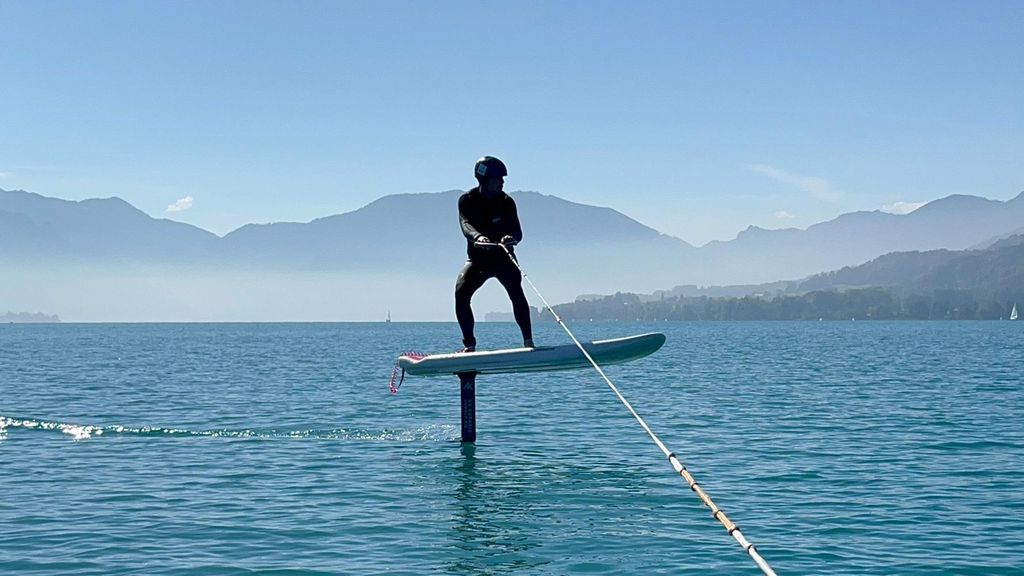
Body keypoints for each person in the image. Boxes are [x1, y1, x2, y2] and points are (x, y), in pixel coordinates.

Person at [455, 156, 534, 352]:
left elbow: (518, 232)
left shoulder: (507, 202)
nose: (503, 182)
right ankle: (469, 345)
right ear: (484, 179)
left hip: (503, 260)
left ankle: (528, 342)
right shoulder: (467, 201)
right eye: (498, 178)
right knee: (461, 294)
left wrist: (511, 238)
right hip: (478, 260)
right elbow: (466, 225)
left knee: (517, 293)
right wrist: (478, 237)